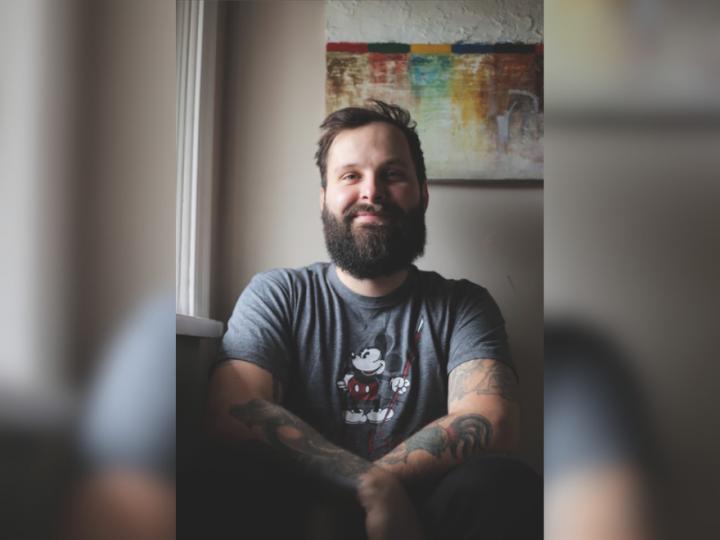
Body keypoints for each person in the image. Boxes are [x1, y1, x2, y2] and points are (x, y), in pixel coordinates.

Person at [202, 100, 540, 540]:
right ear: (324, 197)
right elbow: (231, 411)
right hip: (305, 515)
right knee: (230, 473)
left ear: (422, 192)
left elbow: (491, 420)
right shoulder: (277, 294)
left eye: (392, 174)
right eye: (350, 175)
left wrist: (388, 488)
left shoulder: (463, 304)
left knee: (503, 485)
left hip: (426, 519)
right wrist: (366, 486)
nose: (372, 192)